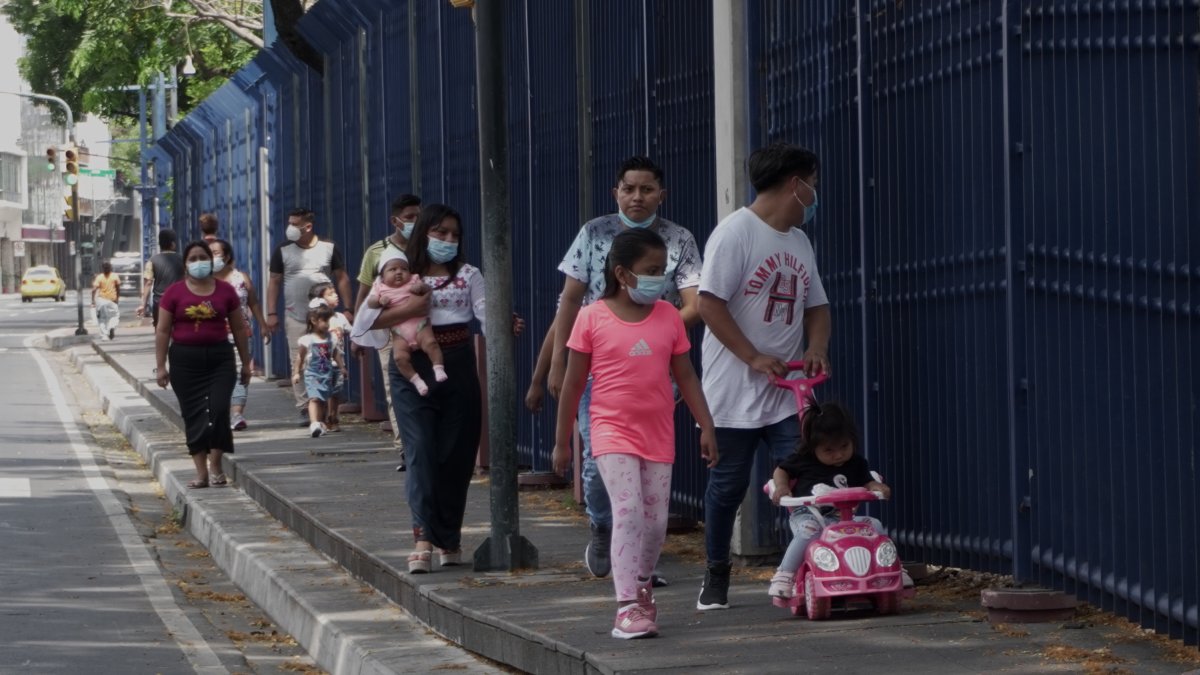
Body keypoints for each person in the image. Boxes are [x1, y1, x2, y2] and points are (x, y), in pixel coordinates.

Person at [535, 155, 703, 582]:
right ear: (616, 192)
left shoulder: (679, 239)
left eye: (647, 189)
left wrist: (649, 336)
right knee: (596, 460)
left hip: (654, 374)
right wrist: (556, 363)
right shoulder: (595, 233)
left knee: (649, 469)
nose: (637, 197)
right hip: (597, 365)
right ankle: (602, 525)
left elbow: (695, 304)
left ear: (661, 195)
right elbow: (569, 300)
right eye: (629, 188)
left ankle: (639, 563)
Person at [552, 229, 718, 640]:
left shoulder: (667, 317)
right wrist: (560, 441)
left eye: (662, 270)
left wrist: (706, 425)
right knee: (628, 512)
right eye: (651, 270)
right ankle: (626, 606)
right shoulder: (591, 317)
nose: (659, 279)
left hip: (658, 433)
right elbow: (574, 384)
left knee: (656, 522)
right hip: (611, 431)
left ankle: (642, 584)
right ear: (623, 273)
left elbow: (686, 376)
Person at [695, 142, 832, 611]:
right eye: (812, 183)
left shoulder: (799, 240)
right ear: (795, 184)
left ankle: (813, 570)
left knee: (808, 478)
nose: (815, 193)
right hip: (733, 390)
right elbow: (709, 303)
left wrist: (815, 348)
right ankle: (716, 572)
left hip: (788, 392)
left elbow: (817, 306)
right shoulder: (735, 234)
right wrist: (752, 356)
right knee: (728, 486)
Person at [362, 203, 522, 574]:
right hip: (411, 367)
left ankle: (448, 537)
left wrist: (503, 322)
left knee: (456, 456)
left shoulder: (469, 274)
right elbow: (365, 324)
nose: (447, 240)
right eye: (439, 233)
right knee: (419, 451)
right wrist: (410, 309)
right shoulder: (399, 273)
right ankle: (422, 539)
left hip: (458, 364)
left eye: (454, 234)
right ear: (423, 234)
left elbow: (485, 314)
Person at [766, 400, 890, 598]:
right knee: (810, 530)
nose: (839, 454)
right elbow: (781, 470)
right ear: (813, 447)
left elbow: (867, 481)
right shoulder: (804, 460)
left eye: (844, 446)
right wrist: (781, 486)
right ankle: (785, 574)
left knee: (873, 524)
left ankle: (887, 568)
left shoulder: (856, 463)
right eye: (829, 450)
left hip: (842, 518)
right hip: (807, 514)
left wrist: (876, 487)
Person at [154, 241, 252, 488]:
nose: (198, 262)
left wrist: (246, 363)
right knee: (194, 414)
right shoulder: (174, 293)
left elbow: (239, 327)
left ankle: (217, 465)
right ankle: (201, 472)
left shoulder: (225, 291)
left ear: (211, 260)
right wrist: (161, 366)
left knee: (219, 410)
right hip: (185, 361)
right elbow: (163, 330)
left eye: (202, 257)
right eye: (193, 258)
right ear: (185, 264)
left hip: (220, 358)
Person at [264, 208, 354, 419]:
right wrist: (271, 313)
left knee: (329, 357)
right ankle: (306, 406)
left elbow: (342, 278)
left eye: (295, 224)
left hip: (325, 317)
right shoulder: (282, 250)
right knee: (299, 358)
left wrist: (349, 309)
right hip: (295, 314)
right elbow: (274, 281)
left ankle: (327, 405)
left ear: (308, 226)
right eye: (290, 223)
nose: (290, 228)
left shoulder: (328, 248)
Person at [353, 194, 422, 454]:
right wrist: (357, 335)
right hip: (388, 327)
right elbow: (364, 292)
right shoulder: (376, 251)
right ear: (395, 221)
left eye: (419, 216)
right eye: (409, 217)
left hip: (422, 327)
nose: (415, 222)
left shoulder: (427, 247)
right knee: (395, 386)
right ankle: (404, 447)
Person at [366, 251, 445, 396]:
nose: (399, 272)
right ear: (382, 276)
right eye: (393, 269)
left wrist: (421, 288)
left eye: (404, 269)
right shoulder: (380, 287)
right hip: (399, 332)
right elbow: (370, 303)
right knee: (399, 358)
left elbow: (428, 289)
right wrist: (378, 301)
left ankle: (438, 367)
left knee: (431, 343)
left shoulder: (414, 280)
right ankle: (416, 380)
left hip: (419, 324)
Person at [209, 239, 269, 431]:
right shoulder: (204, 281)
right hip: (213, 336)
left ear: (227, 256)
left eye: (216, 253)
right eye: (209, 253)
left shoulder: (240, 277)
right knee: (215, 376)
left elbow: (253, 302)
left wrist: (262, 324)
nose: (212, 257)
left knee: (242, 374)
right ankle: (216, 412)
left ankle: (236, 414)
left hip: (241, 334)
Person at [293, 303, 347, 438]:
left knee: (323, 399)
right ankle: (314, 424)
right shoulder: (307, 339)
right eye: (325, 321)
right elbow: (300, 357)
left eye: (330, 320)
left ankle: (321, 423)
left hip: (327, 373)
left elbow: (335, 353)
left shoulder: (331, 338)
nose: (328, 324)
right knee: (314, 398)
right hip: (312, 373)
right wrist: (296, 373)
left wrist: (342, 367)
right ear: (314, 321)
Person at [307, 282, 352, 431]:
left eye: (335, 292)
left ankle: (333, 417)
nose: (336, 295)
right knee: (321, 392)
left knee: (336, 392)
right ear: (321, 299)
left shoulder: (340, 317)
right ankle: (320, 420)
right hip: (320, 365)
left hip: (338, 363)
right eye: (331, 293)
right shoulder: (315, 320)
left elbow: (352, 333)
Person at [137, 230, 185, 328]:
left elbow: (148, 283)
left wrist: (143, 304)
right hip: (179, 301)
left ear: (160, 244)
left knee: (160, 331)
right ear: (173, 244)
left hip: (160, 302)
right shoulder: (183, 259)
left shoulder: (152, 261)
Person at [91, 261, 121, 340]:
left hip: (101, 301)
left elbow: (94, 290)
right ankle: (111, 327)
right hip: (112, 300)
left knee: (102, 318)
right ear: (111, 268)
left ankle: (104, 335)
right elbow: (118, 288)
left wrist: (93, 301)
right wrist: (117, 298)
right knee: (114, 316)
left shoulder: (99, 277)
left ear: (102, 269)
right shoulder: (115, 276)